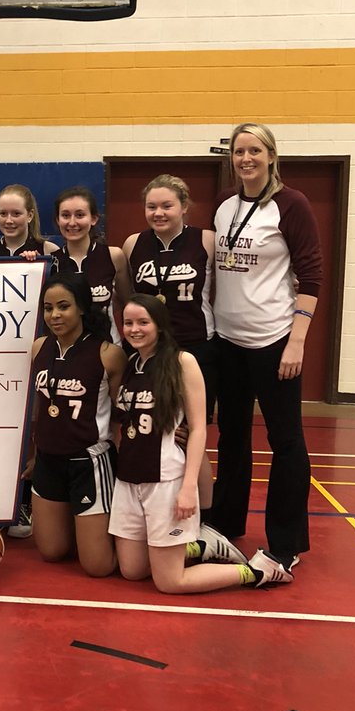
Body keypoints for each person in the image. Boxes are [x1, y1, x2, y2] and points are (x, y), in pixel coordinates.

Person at [206, 122, 323, 582]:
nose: (246, 159)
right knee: (232, 437)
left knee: (286, 441)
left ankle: (285, 546)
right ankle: (226, 525)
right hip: (228, 342)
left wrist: (297, 340)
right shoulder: (224, 204)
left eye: (255, 150)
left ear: (271, 155)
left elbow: (311, 276)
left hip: (274, 340)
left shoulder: (291, 204)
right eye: (239, 151)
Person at [111, 295, 280, 592]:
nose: (134, 329)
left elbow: (199, 428)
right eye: (128, 323)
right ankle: (200, 547)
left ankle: (255, 571)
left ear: (159, 325)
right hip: (129, 479)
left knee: (170, 582)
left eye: (143, 322)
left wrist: (189, 488)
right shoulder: (131, 364)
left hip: (165, 479)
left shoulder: (182, 361)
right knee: (132, 571)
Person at [122, 173, 225, 552]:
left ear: (184, 206)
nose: (159, 212)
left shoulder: (207, 240)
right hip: (149, 352)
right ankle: (155, 514)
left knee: (190, 434)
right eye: (152, 206)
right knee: (158, 434)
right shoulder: (133, 245)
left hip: (196, 348)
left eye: (167, 205)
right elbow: (128, 297)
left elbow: (222, 291)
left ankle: (208, 523)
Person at [25, 275, 127, 577]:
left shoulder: (107, 353)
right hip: (48, 460)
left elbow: (123, 413)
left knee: (97, 567)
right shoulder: (39, 348)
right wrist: (34, 455)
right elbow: (40, 410)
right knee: (51, 552)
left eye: (63, 306)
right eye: (48, 308)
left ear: (81, 307)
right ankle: (80, 525)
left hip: (89, 462)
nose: (54, 315)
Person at [0, 183, 58, 537]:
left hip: (34, 351)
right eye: (3, 214)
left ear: (30, 215)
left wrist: (40, 269)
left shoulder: (48, 251)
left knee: (31, 426)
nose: (9, 220)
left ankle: (22, 502)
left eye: (16, 213)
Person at [51, 186, 129, 343]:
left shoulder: (113, 256)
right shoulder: (52, 261)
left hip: (108, 347)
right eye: (65, 215)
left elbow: (127, 301)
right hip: (66, 349)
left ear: (93, 218)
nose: (72, 222)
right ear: (58, 220)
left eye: (80, 215)